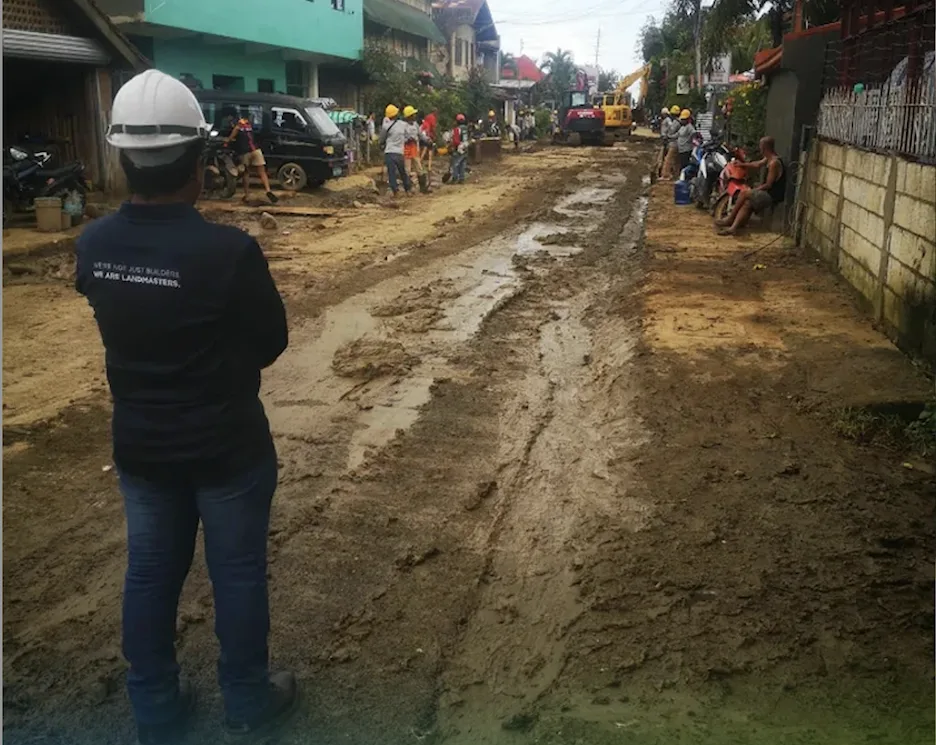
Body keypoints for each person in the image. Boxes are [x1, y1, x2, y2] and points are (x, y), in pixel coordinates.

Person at [75, 69, 296, 745]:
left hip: (142, 448)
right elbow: (271, 342)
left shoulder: (93, 246)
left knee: (148, 572)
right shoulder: (227, 252)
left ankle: (156, 711)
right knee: (235, 574)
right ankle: (247, 704)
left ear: (123, 157)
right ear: (199, 161)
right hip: (228, 447)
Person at [715, 136, 786, 235]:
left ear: (764, 148)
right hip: (768, 192)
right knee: (748, 203)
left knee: (744, 193)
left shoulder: (774, 163)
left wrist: (754, 190)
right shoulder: (769, 158)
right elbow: (757, 164)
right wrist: (742, 165)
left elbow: (768, 185)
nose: (759, 148)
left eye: (761, 146)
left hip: (772, 195)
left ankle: (730, 218)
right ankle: (733, 228)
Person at [225, 107, 277, 204]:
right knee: (262, 172)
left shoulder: (236, 123)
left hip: (245, 152)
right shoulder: (246, 122)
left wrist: (227, 140)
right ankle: (268, 191)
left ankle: (247, 195)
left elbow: (235, 131)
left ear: (230, 116)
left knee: (246, 173)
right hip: (256, 149)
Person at [379, 103, 411, 197]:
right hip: (399, 153)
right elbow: (408, 137)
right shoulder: (403, 125)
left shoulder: (386, 126)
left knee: (391, 173)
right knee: (402, 172)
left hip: (389, 152)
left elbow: (381, 139)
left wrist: (381, 145)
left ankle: (395, 191)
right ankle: (408, 190)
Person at [402, 105, 428, 194]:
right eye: (413, 114)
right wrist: (407, 140)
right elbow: (401, 137)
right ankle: (408, 189)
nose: (414, 116)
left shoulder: (416, 125)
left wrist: (427, 140)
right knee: (407, 170)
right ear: (409, 116)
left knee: (419, 168)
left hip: (414, 149)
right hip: (406, 149)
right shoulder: (403, 126)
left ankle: (423, 188)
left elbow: (420, 135)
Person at [661, 104, 682, 180]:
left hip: (674, 144)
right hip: (678, 144)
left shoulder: (675, 122)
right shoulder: (679, 122)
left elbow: (671, 132)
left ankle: (666, 175)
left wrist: (668, 137)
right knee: (676, 161)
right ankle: (676, 176)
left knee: (668, 160)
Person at [675, 109, 696, 177]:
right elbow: (677, 134)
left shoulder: (689, 127)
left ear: (688, 119)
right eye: (682, 119)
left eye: (684, 119)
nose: (682, 120)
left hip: (686, 150)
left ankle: (684, 178)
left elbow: (694, 134)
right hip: (681, 149)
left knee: (684, 165)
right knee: (681, 164)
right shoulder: (682, 127)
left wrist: (690, 140)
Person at [448, 113, 469, 184]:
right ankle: (462, 178)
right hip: (465, 147)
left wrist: (451, 147)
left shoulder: (457, 129)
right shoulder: (466, 128)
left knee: (456, 164)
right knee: (463, 164)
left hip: (459, 148)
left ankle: (455, 178)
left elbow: (456, 141)